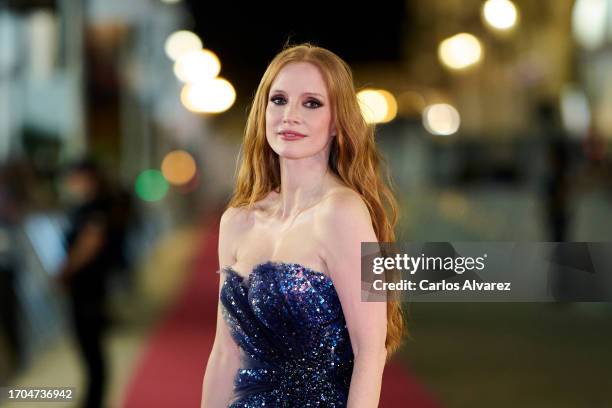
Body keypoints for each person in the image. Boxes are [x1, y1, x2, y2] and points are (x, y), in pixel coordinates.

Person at [201, 43, 405, 407]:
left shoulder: (345, 212)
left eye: (311, 103)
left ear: (338, 123)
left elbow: (371, 351)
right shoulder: (236, 220)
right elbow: (225, 354)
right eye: (278, 100)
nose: (289, 115)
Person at [57, 159, 118, 408]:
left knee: (91, 347)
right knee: (89, 348)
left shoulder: (96, 208)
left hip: (89, 288)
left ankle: (94, 399)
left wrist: (67, 270)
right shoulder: (88, 206)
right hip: (86, 287)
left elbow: (90, 243)